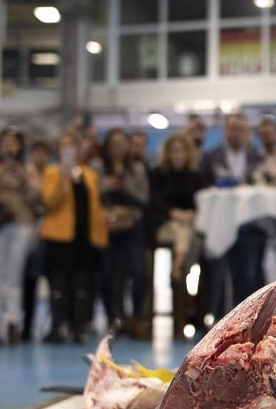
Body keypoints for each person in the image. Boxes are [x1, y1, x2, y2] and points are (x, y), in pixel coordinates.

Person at [40, 131, 109, 342]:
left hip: (84, 238)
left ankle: (80, 325)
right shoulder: (52, 172)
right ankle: (58, 325)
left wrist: (100, 234)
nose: (68, 149)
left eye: (72, 145)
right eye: (64, 145)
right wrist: (64, 176)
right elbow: (50, 202)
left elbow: (94, 206)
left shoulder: (89, 174)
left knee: (83, 285)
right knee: (59, 284)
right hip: (59, 238)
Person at [201, 113, 264, 316]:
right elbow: (202, 186)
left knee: (248, 276)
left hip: (250, 226)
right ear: (225, 130)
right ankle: (217, 318)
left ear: (246, 132)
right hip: (219, 224)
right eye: (232, 128)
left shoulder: (256, 156)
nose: (236, 133)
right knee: (218, 276)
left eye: (240, 129)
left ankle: (248, 320)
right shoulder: (210, 156)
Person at [150, 132, 211, 337]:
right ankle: (180, 267)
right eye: (174, 151)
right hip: (165, 227)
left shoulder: (196, 177)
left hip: (189, 227)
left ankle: (179, 267)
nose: (178, 155)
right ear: (167, 153)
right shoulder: (158, 174)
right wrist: (175, 214)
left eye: (182, 151)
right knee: (183, 231)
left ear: (188, 153)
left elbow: (201, 203)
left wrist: (190, 215)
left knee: (189, 234)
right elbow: (155, 204)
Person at [0, 130, 39, 344]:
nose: (9, 147)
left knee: (14, 275)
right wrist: (2, 173)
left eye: (13, 143)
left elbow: (36, 195)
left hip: (21, 224)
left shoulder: (28, 170)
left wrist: (22, 176)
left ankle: (13, 323)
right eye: (5, 143)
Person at [100, 126, 150, 337]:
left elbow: (144, 200)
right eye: (114, 144)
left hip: (132, 227)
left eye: (122, 144)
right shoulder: (98, 167)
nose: (118, 148)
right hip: (106, 227)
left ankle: (135, 317)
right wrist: (107, 187)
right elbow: (91, 196)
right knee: (108, 275)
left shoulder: (136, 169)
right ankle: (114, 317)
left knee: (138, 272)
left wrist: (125, 190)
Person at [21, 139, 52, 341]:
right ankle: (27, 325)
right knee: (29, 279)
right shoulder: (26, 174)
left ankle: (53, 325)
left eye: (43, 153)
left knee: (52, 279)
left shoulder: (54, 174)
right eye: (36, 153)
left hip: (51, 232)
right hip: (29, 230)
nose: (40, 157)